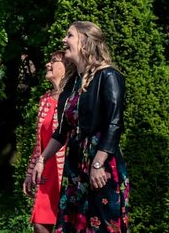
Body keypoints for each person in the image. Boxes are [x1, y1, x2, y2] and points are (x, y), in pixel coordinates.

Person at [33, 22, 129, 233]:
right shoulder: (73, 83)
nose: (63, 40)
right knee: (73, 226)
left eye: (70, 36)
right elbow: (62, 131)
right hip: (75, 164)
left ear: (85, 42)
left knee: (102, 226)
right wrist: (42, 159)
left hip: (100, 162)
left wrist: (98, 163)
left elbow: (115, 123)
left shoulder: (109, 76)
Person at [22, 51, 69, 233]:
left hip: (65, 170)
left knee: (67, 221)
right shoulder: (45, 100)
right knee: (39, 223)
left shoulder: (74, 97)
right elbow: (39, 143)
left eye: (53, 61)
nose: (48, 65)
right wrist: (30, 171)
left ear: (66, 67)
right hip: (45, 170)